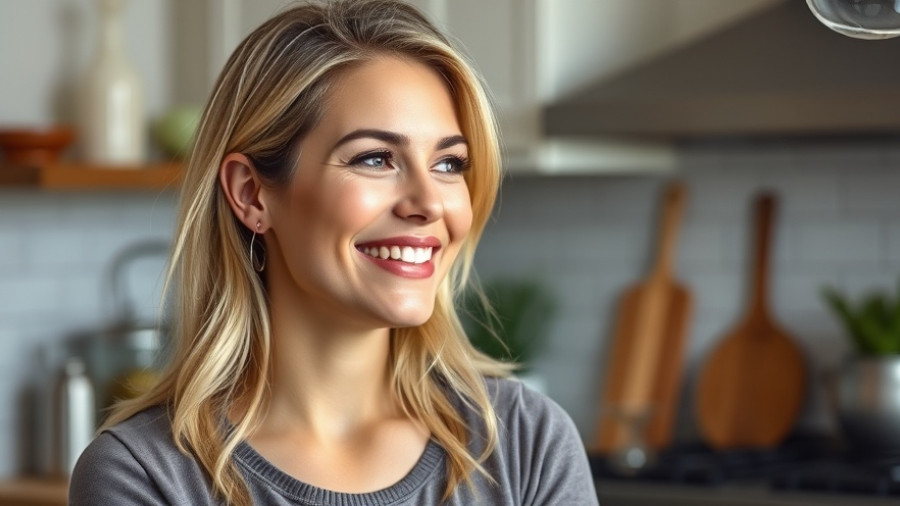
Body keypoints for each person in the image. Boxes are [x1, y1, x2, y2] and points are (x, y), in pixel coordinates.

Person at [69, 1, 598, 504]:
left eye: (449, 164)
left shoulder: (526, 444)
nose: (429, 203)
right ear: (252, 194)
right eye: (374, 158)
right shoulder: (145, 475)